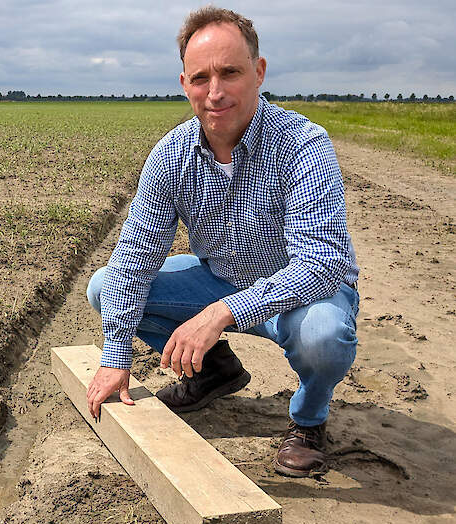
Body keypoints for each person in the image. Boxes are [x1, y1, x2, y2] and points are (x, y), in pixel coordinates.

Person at [85, 6, 359, 478]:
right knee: (104, 286)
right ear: (184, 82)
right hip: (220, 279)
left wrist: (219, 314)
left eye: (229, 73)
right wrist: (116, 357)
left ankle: (309, 420)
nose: (214, 92)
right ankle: (215, 371)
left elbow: (323, 262)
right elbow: (136, 257)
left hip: (301, 294)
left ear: (259, 72)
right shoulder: (172, 154)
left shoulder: (303, 144)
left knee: (324, 338)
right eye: (200, 77)